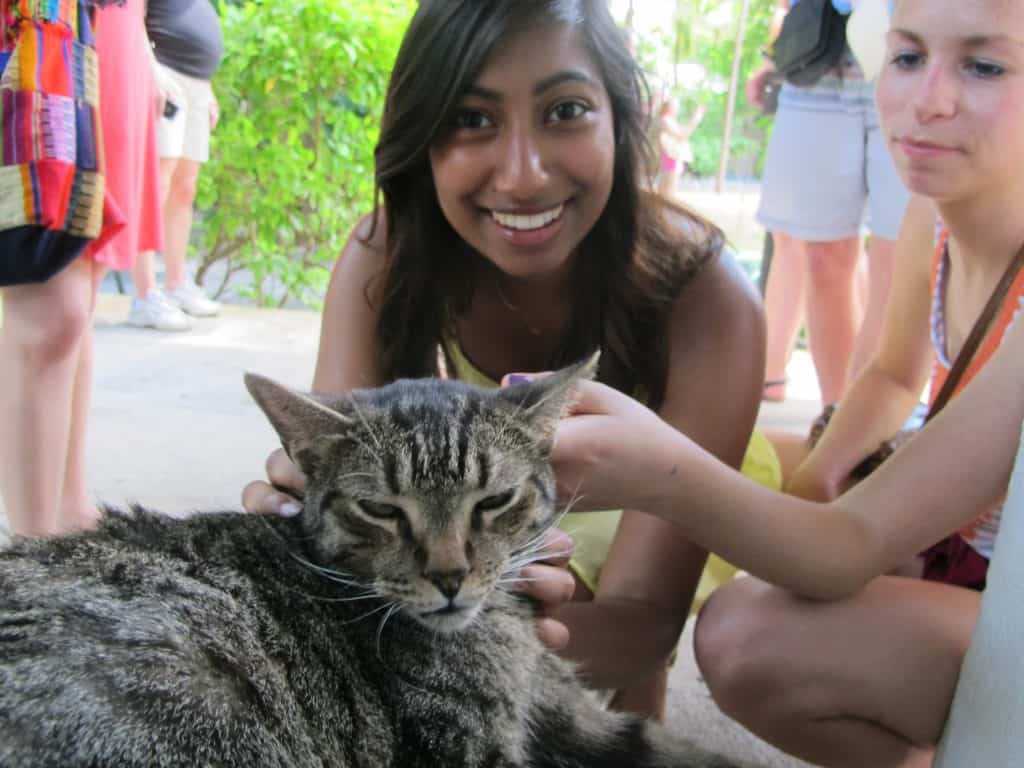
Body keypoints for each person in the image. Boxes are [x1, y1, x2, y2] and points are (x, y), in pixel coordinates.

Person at [242, 0, 770, 719]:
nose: (522, 177)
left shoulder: (708, 294)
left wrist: (483, 633)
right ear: (421, 138)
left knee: (549, 593)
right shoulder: (387, 252)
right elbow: (337, 466)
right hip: (495, 494)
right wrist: (297, 525)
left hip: (672, 485)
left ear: (621, 120)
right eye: (471, 119)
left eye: (566, 110)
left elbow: (642, 622)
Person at [541, 0, 1024, 763]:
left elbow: (847, 546)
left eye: (985, 65)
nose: (929, 100)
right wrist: (822, 475)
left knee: (748, 634)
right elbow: (896, 372)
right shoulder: (934, 215)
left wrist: (657, 471)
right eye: (906, 56)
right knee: (784, 509)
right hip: (973, 553)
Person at [0, 0, 161, 536]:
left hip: (103, 28)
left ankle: (65, 514)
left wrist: (140, 43)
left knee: (78, 296)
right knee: (50, 307)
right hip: (38, 21)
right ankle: (32, 554)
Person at [748, 0, 910, 404]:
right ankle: (835, 414)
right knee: (824, 256)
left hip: (916, 61)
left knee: (902, 259)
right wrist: (781, 54)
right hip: (821, 64)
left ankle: (872, 423)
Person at [126, 0, 224, 332]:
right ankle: (145, 295)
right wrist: (149, 68)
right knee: (156, 183)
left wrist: (207, 85)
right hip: (163, 73)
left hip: (195, 80)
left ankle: (176, 283)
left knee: (185, 186)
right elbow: (131, 15)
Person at [655, 98, 706, 199]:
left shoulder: (670, 121)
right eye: (676, 106)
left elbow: (684, 134)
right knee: (668, 196)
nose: (678, 108)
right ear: (669, 107)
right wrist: (695, 119)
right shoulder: (665, 120)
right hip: (670, 161)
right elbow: (682, 135)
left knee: (666, 194)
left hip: (673, 160)